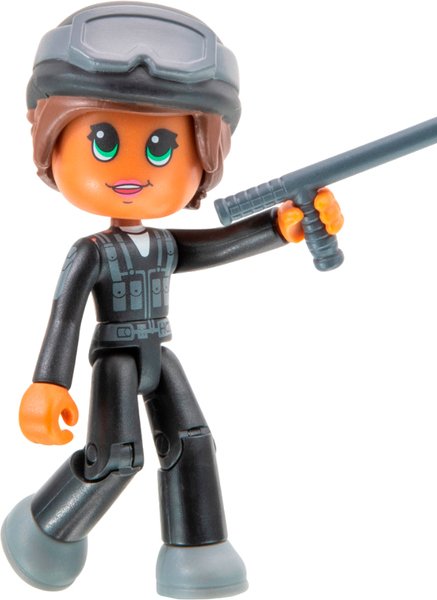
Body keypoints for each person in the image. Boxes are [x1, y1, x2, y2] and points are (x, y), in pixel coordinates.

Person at [1, 3, 342, 598]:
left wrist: (280, 226)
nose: (133, 169)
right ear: (51, 139)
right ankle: (45, 527)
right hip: (115, 358)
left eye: (162, 148)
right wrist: (47, 383)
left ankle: (198, 552)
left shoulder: (162, 243)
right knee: (116, 458)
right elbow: (65, 317)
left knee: (192, 442)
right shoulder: (91, 252)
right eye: (102, 141)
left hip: (160, 353)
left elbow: (217, 247)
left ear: (202, 158)